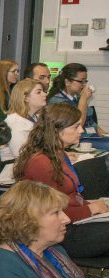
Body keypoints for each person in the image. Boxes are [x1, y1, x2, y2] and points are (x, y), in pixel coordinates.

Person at [16, 103, 109, 258]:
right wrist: (91, 209)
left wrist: (91, 204)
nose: (81, 130)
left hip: (72, 222)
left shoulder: (58, 154)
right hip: (58, 234)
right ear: (56, 131)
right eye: (75, 127)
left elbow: (70, 198)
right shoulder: (41, 163)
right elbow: (49, 213)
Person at [49, 62, 106, 136]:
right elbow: (78, 125)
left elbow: (92, 123)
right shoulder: (57, 101)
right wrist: (84, 98)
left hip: (91, 137)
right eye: (80, 81)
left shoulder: (77, 98)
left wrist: (106, 135)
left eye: (85, 81)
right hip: (79, 139)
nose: (84, 85)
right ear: (67, 82)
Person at [1, 77, 48, 161]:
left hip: (34, 162)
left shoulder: (36, 117)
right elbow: (20, 154)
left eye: (43, 91)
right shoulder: (14, 122)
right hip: (15, 168)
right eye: (39, 92)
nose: (44, 94)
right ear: (26, 98)